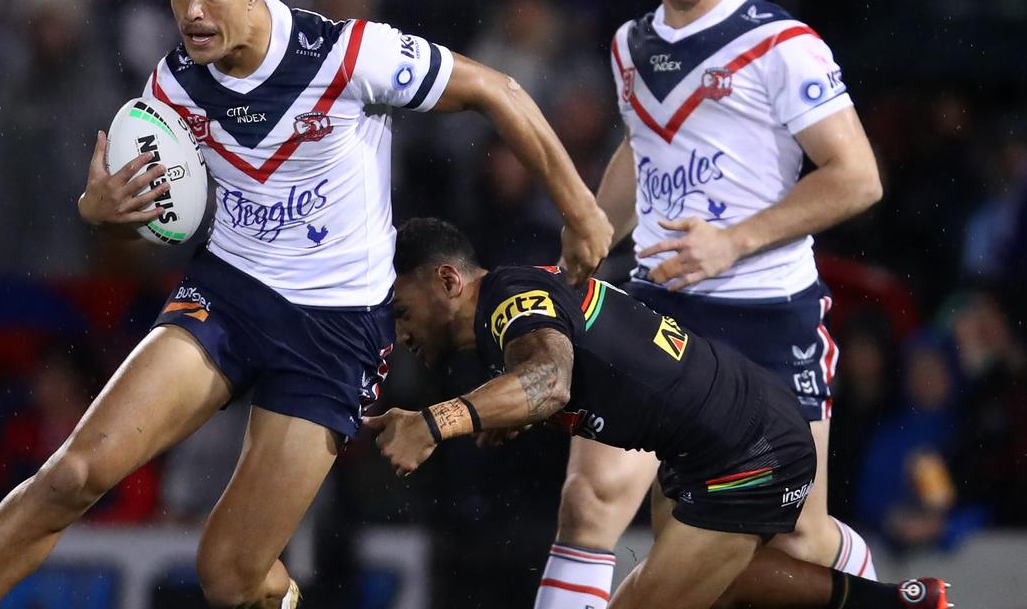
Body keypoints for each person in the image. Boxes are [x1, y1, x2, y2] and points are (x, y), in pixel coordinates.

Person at [0, 0, 611, 609]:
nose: (190, 10)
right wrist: (95, 213)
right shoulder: (171, 89)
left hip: (335, 331)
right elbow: (147, 223)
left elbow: (497, 89)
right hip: (228, 297)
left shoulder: (349, 54)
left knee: (228, 575)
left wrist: (580, 207)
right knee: (74, 474)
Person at [536, 0, 885, 606]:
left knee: (795, 541)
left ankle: (879, 592)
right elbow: (644, 145)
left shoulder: (783, 47)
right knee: (591, 499)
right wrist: (593, 231)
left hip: (767, 318)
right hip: (660, 310)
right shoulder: (630, 43)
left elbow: (858, 178)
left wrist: (735, 241)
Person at [367, 217, 949, 609]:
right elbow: (561, 369)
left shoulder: (509, 303)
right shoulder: (519, 298)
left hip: (743, 454)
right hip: (721, 443)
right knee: (716, 581)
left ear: (447, 280)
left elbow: (549, 379)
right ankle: (903, 601)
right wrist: (512, 408)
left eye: (399, 308)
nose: (399, 331)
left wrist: (435, 420)